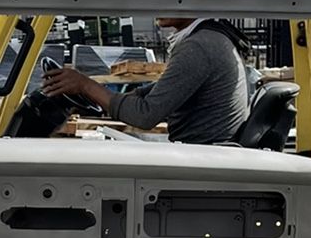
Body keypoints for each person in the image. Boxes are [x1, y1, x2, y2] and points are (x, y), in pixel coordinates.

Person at [40, 16, 249, 143]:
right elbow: (155, 91)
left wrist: (86, 85)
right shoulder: (209, 38)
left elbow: (145, 115)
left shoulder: (198, 47)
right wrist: (97, 97)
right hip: (203, 149)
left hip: (201, 154)